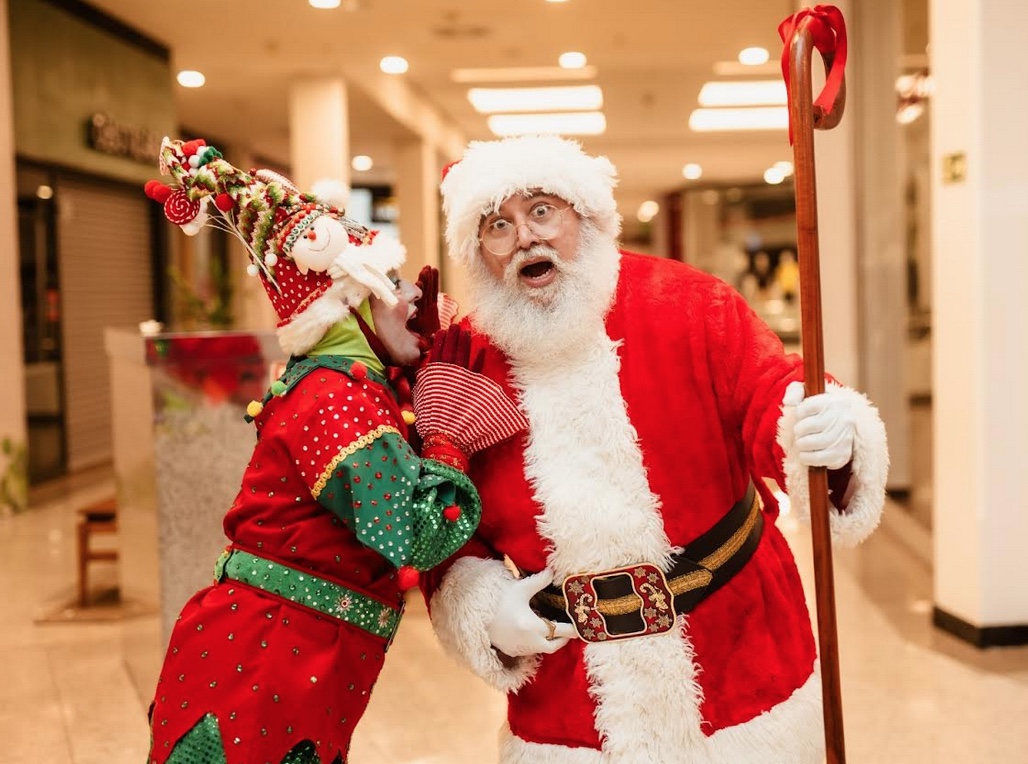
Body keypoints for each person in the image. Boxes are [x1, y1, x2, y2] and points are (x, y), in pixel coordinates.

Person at [414, 135, 889, 764]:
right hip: (571, 701)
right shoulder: (463, 363)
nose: (524, 237)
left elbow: (770, 391)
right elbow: (441, 518)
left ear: (584, 214)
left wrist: (821, 426)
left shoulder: (689, 302)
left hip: (739, 662)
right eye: (497, 225)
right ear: (479, 252)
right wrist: (481, 606)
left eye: (541, 211)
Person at [142, 138, 524, 764]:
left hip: (291, 652)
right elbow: (414, 530)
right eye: (391, 282)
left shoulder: (352, 383)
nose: (415, 297)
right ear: (347, 305)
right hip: (263, 663)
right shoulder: (336, 395)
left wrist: (422, 372)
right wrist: (449, 437)